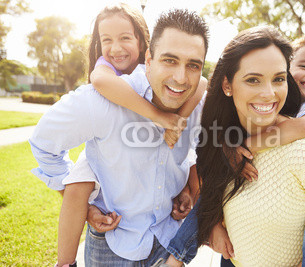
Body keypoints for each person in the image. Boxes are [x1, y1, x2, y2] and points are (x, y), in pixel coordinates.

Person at [29, 8, 209, 266]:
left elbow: (197, 149)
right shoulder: (100, 101)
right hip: (111, 247)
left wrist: (187, 189)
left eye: (193, 64)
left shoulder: (198, 101)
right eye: (169, 60)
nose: (181, 77)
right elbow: (42, 144)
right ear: (149, 58)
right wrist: (86, 206)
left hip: (169, 239)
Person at [196, 25, 305, 266]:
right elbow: (207, 185)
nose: (269, 93)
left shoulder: (304, 150)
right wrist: (214, 225)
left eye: (278, 79)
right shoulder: (223, 139)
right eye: (253, 79)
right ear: (227, 85)